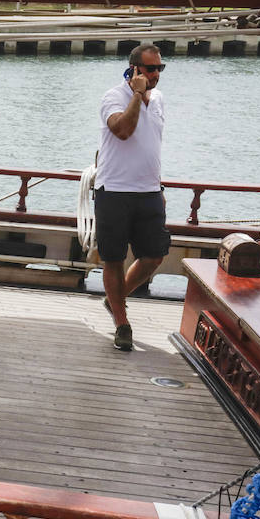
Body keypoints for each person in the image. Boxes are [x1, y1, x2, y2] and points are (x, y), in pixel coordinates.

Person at [96, 43, 169, 352]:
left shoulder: (161, 100)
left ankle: (115, 299)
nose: (156, 75)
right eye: (150, 69)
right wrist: (137, 96)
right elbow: (123, 131)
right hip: (114, 190)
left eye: (160, 69)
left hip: (149, 191)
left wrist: (158, 186)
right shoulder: (113, 97)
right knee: (113, 258)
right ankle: (122, 323)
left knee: (154, 255)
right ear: (135, 69)